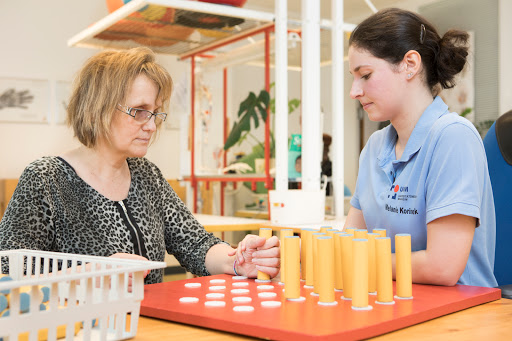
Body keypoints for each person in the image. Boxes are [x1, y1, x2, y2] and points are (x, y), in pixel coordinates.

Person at [0, 47, 280, 284]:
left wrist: (238, 261)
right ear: (98, 108)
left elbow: (195, 245)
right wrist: (92, 273)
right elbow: (8, 272)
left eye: (156, 113)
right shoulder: (46, 179)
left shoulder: (148, 176)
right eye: (139, 111)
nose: (151, 125)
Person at [344, 8, 497, 287]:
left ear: (410, 65)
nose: (354, 91)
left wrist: (356, 258)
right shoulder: (375, 147)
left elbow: (442, 267)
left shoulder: (453, 137)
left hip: (458, 315)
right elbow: (349, 242)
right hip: (394, 300)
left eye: (364, 75)